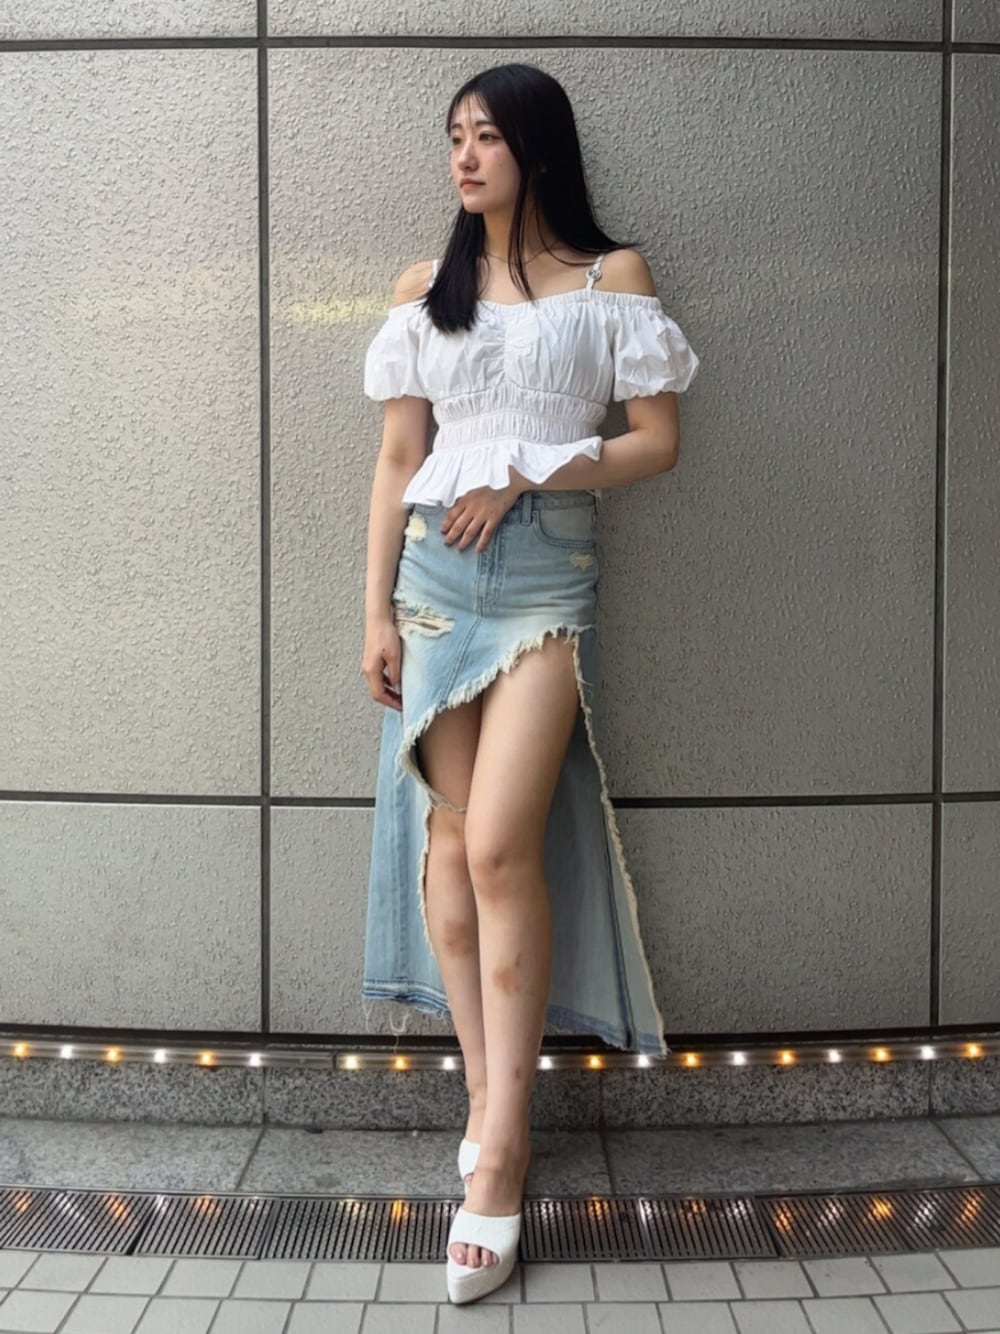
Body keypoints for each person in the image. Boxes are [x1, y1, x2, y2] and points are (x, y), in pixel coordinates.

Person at [360, 62, 700, 1304]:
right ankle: (487, 1105)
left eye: (486, 137)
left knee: (501, 844)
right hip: (432, 583)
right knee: (451, 848)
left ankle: (500, 1153)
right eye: (453, 136)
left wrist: (529, 473)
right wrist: (370, 612)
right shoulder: (424, 286)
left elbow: (656, 441)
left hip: (545, 582)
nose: (463, 156)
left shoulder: (611, 279)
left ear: (538, 150)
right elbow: (399, 455)